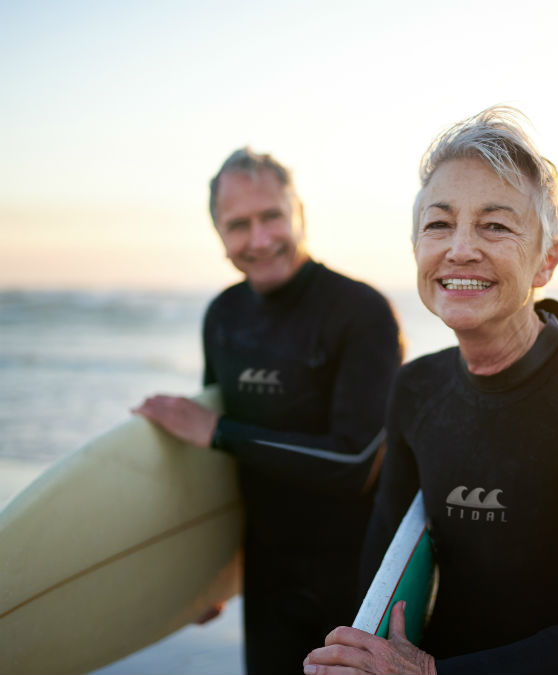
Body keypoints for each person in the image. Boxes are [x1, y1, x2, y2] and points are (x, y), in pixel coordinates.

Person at [303, 108, 558, 675]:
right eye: (438, 225)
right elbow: (387, 572)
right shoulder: (416, 388)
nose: (461, 249)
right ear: (417, 250)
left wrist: (431, 674)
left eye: (495, 225)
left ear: (547, 261)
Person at [133, 148, 402, 674]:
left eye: (271, 216)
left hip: (355, 587)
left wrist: (217, 430)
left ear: (298, 212)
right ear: (218, 235)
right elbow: (221, 472)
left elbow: (355, 464)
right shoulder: (224, 316)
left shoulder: (360, 311)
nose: (259, 240)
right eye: (238, 226)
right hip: (267, 585)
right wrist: (207, 576)